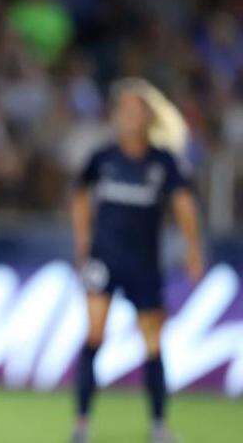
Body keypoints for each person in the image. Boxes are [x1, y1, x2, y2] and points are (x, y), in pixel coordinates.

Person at [70, 78, 205, 443]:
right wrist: (82, 241)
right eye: (124, 110)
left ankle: (159, 424)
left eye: (137, 110)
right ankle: (81, 423)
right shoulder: (104, 158)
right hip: (105, 258)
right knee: (94, 334)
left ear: (148, 117)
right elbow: (80, 195)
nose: (130, 117)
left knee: (153, 342)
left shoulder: (164, 162)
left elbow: (184, 205)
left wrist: (193, 249)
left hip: (144, 263)